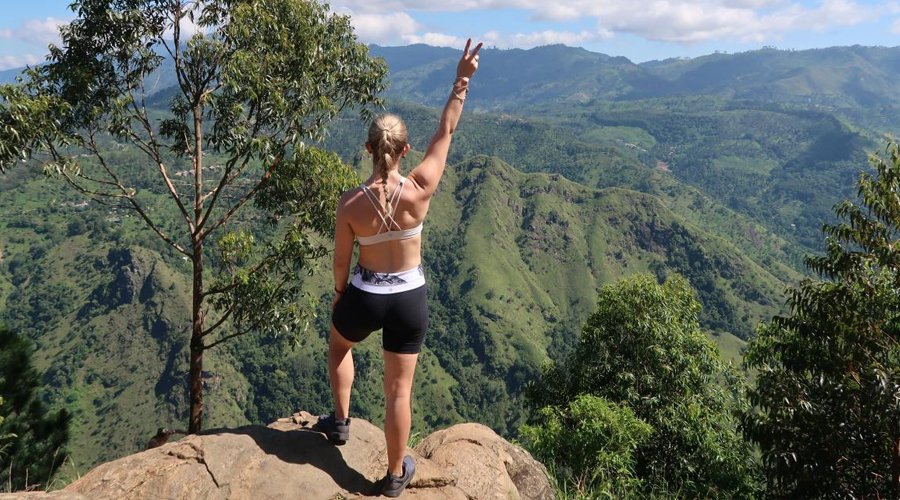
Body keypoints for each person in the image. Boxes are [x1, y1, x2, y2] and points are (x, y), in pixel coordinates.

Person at [314, 39, 482, 497]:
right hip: (409, 300)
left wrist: (340, 293)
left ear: (368, 148)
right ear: (405, 149)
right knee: (398, 391)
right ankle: (393, 477)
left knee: (339, 345)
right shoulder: (420, 189)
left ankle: (340, 422)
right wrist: (462, 80)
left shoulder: (350, 203)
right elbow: (446, 131)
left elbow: (341, 261)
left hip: (365, 297)